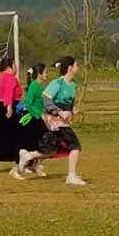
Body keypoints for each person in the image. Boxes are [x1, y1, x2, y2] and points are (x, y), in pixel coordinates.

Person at [18, 56, 87, 186]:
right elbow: (46, 99)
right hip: (56, 121)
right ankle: (71, 176)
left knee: (53, 149)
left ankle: (29, 156)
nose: (78, 68)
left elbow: (69, 103)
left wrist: (72, 111)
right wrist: (59, 112)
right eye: (76, 65)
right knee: (75, 146)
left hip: (63, 121)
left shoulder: (73, 84)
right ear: (70, 68)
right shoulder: (57, 83)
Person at [15, 63, 49, 179]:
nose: (47, 75)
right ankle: (17, 170)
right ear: (39, 74)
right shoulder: (34, 85)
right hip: (33, 119)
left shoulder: (39, 86)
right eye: (45, 72)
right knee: (37, 146)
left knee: (40, 145)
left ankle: (35, 166)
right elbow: (28, 103)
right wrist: (40, 115)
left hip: (38, 119)